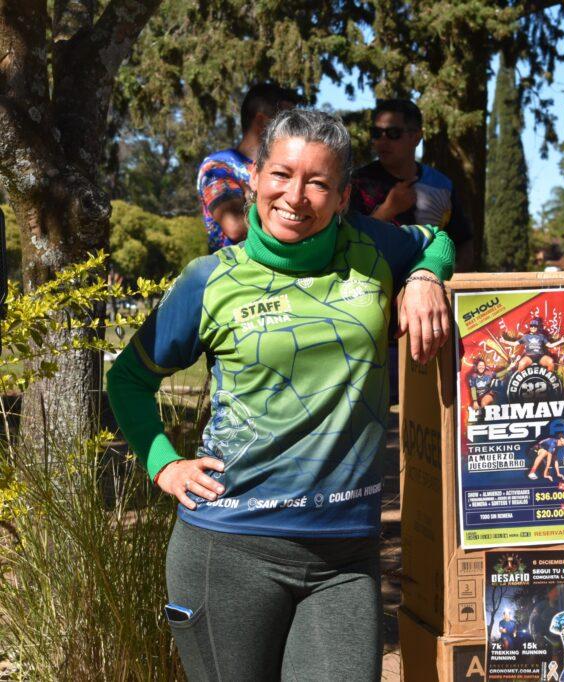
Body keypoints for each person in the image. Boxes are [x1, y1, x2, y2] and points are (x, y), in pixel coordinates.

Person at [108, 109, 455, 680]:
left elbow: (435, 240)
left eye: (318, 182)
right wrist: (164, 464)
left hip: (346, 558)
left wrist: (422, 278)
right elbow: (127, 379)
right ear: (254, 178)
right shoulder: (208, 279)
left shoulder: (372, 248)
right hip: (229, 546)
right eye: (281, 174)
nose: (295, 196)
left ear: (343, 197)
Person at [351, 98, 474, 271]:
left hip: (429, 284)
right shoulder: (357, 183)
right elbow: (347, 245)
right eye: (376, 133)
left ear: (416, 137)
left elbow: (464, 243)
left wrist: (450, 278)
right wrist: (387, 211)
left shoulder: (441, 186)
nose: (382, 140)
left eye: (393, 133)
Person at [196, 82, 301, 252]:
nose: (296, 130)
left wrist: (250, 199)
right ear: (262, 122)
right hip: (234, 267)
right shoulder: (218, 166)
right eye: (287, 122)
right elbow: (235, 227)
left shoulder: (290, 169)